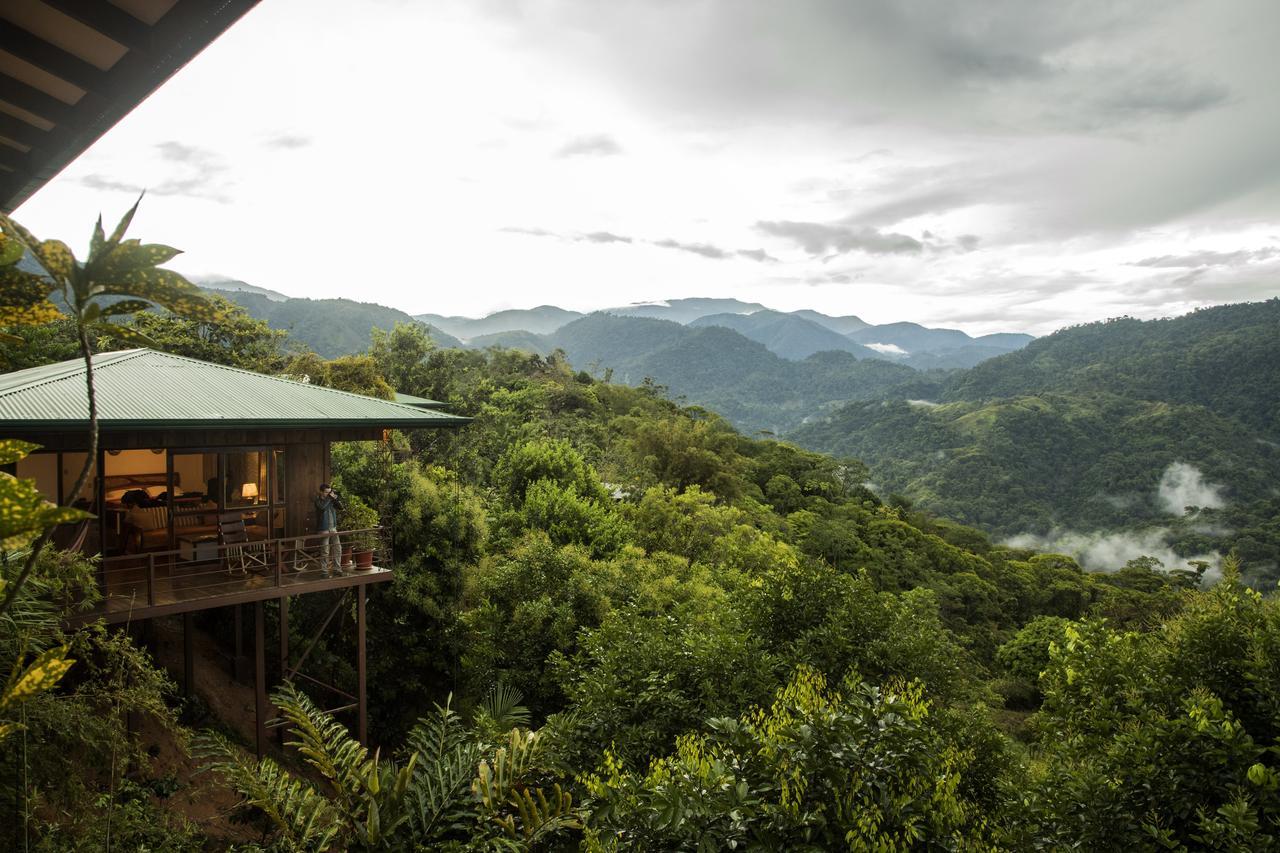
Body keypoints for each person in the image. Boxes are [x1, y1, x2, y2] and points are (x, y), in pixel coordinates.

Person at [314, 483, 344, 575]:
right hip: (324, 529)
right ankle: (324, 571)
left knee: (338, 548)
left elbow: (341, 507)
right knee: (325, 551)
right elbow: (322, 508)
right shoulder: (317, 501)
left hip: (333, 528)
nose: (328, 494)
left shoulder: (330, 500)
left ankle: (337, 569)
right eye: (326, 492)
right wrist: (330, 498)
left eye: (329, 492)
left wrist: (336, 499)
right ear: (321, 492)